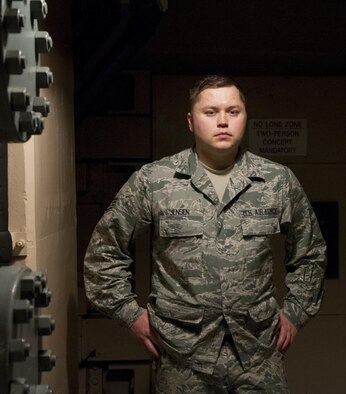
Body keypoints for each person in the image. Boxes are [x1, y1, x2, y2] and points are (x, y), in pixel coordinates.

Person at [84, 75, 326, 393]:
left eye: (233, 111)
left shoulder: (276, 181)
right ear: (190, 120)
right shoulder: (155, 181)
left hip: (258, 354)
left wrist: (295, 312)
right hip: (182, 356)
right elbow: (103, 253)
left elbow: (310, 253)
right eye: (210, 112)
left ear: (245, 117)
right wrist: (130, 316)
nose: (223, 121)